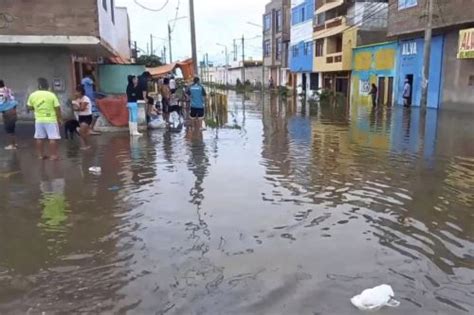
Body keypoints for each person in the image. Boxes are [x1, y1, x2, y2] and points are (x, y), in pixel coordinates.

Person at [27, 78, 63, 160]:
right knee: (52, 138)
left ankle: (40, 155)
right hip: (51, 119)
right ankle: (53, 156)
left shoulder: (33, 95)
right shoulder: (51, 95)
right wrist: (60, 118)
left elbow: (29, 107)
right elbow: (57, 108)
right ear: (47, 86)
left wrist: (37, 108)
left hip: (39, 120)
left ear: (39, 86)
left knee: (39, 138)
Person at [72, 85, 93, 150]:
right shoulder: (76, 99)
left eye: (76, 91)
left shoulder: (85, 98)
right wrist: (75, 104)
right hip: (80, 117)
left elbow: (82, 108)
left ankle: (85, 145)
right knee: (84, 132)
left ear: (80, 92)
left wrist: (77, 107)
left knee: (81, 131)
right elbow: (74, 108)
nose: (75, 93)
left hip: (87, 116)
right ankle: (86, 144)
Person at [0, 80, 18, 150]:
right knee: (12, 130)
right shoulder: (8, 90)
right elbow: (13, 100)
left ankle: (12, 145)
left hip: (7, 112)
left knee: (9, 130)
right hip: (13, 110)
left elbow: (1, 103)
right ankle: (14, 143)